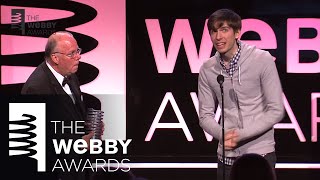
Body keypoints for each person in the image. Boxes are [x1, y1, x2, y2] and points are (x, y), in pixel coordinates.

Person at [197, 9, 284, 180]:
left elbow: (276, 110)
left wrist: (239, 135)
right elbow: (205, 115)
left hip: (260, 156)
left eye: (224, 30)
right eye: (214, 31)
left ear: (237, 32)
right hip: (226, 159)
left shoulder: (261, 59)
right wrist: (223, 135)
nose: (218, 37)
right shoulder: (207, 69)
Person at [21, 31, 94, 180]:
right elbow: (34, 143)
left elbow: (70, 114)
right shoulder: (36, 89)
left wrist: (88, 123)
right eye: (71, 53)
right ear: (55, 58)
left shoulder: (69, 75)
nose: (78, 57)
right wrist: (78, 145)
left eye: (78, 51)